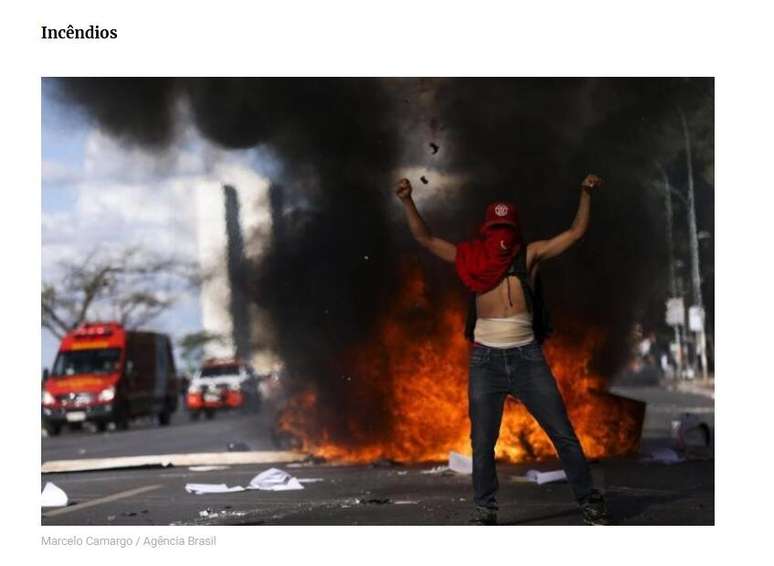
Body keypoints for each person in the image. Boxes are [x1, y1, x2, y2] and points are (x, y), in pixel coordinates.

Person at [395, 174, 610, 525]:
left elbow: (574, 233)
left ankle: (589, 500)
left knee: (563, 434)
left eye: (506, 229)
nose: (501, 239)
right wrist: (407, 200)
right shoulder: (471, 257)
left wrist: (584, 194)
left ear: (515, 229)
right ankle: (485, 508)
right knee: (482, 443)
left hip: (527, 357)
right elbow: (426, 238)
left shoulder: (530, 255)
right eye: (495, 229)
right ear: (486, 229)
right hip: (486, 361)